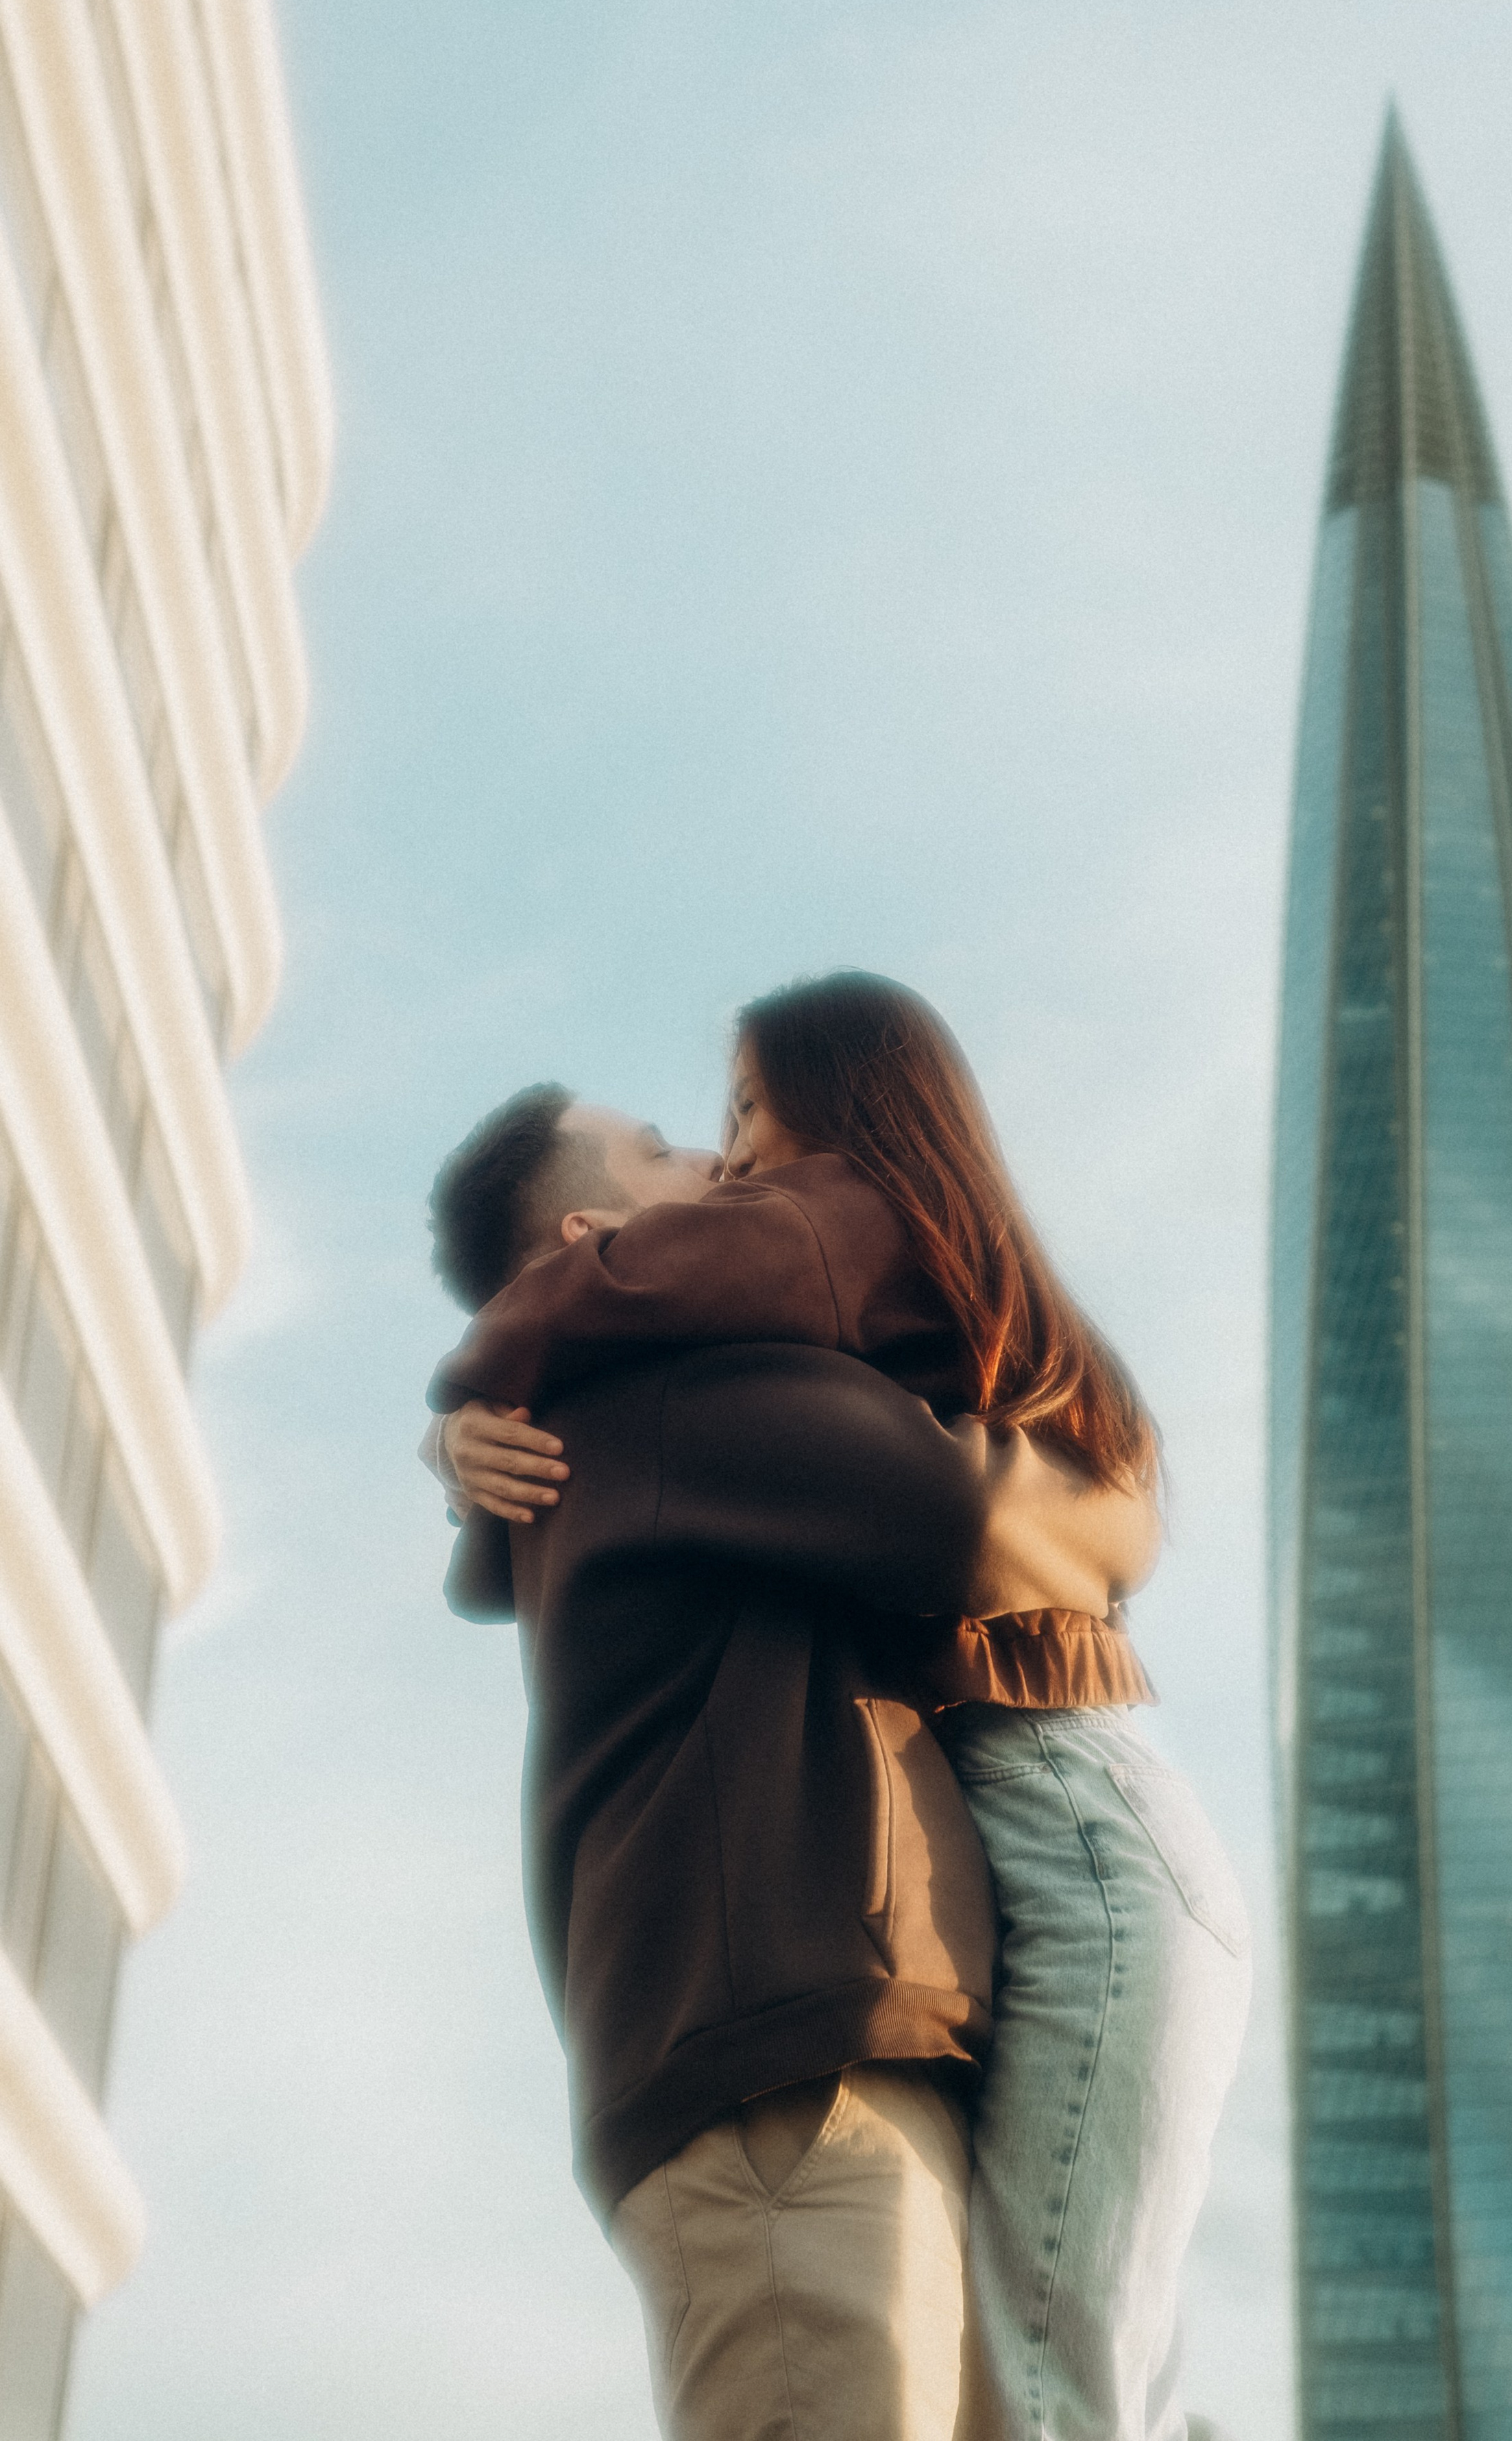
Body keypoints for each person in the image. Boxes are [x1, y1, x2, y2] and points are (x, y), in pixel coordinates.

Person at [437, 975, 1251, 2441]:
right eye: (674, 1146)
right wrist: (1119, 1507)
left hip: (827, 2057)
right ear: (593, 1250)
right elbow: (961, 1517)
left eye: (733, 1120)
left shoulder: (656, 1399)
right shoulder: (667, 1396)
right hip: (784, 2074)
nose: (724, 1167)